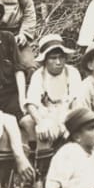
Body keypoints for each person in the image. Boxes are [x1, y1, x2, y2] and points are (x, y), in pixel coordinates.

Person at [20, 34, 82, 177]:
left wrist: (64, 123)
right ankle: (39, 172)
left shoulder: (72, 73)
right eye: (53, 58)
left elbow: (76, 102)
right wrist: (41, 122)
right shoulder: (39, 75)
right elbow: (31, 103)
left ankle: (45, 175)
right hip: (46, 114)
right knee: (31, 123)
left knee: (49, 129)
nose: (58, 62)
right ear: (45, 60)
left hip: (67, 113)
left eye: (61, 57)